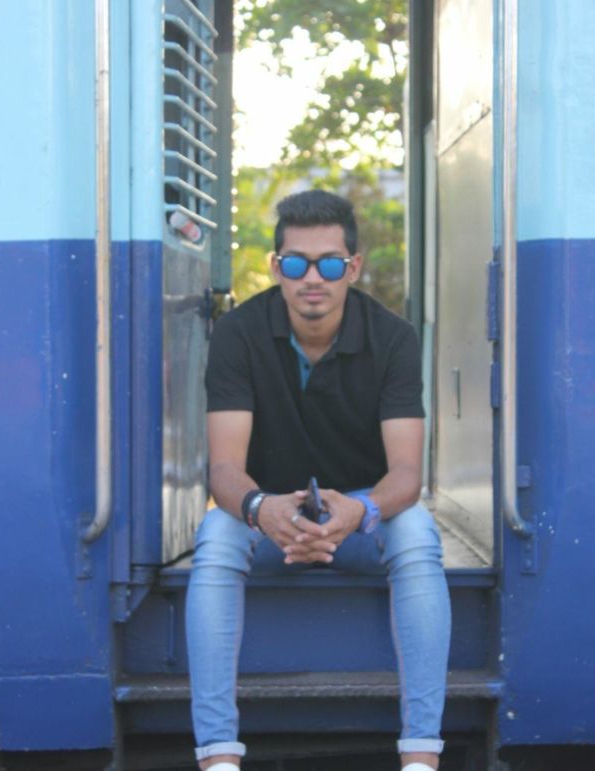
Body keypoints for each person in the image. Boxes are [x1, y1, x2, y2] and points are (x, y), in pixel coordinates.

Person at [186, 190, 451, 771]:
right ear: (275, 266)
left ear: (352, 268)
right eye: (296, 263)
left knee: (416, 533)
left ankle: (421, 756)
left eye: (330, 264)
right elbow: (225, 469)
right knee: (217, 535)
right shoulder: (237, 333)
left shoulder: (394, 338)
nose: (313, 278)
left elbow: (407, 474)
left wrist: (361, 511)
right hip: (269, 520)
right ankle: (218, 756)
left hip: (360, 521)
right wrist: (262, 509)